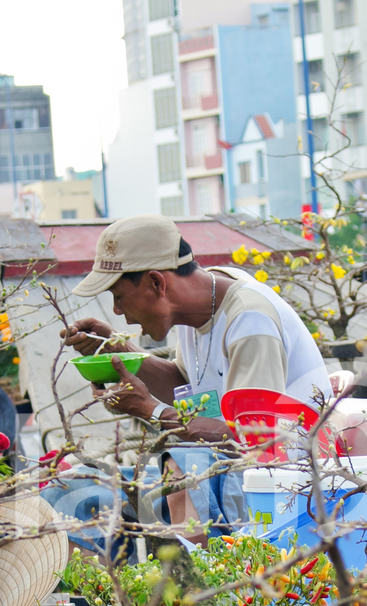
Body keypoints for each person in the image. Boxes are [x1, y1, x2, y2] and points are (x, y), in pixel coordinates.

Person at [51, 214, 332, 543]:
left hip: (284, 483)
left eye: (118, 296)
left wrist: (151, 411)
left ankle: (199, 586)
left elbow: (256, 440)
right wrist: (118, 351)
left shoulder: (250, 321)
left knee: (180, 464)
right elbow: (186, 387)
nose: (116, 311)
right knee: (71, 487)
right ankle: (103, 592)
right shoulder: (196, 304)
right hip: (224, 470)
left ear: (158, 283)